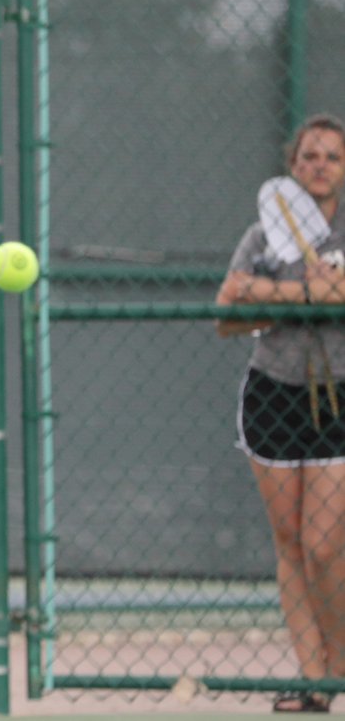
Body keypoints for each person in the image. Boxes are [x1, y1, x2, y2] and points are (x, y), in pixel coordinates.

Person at [216, 113, 345, 713]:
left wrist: (266, 292)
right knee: (290, 540)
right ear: (293, 167)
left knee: (324, 545)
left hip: (336, 398)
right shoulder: (263, 233)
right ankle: (313, 678)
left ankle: (339, 666)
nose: (319, 165)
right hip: (271, 391)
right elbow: (226, 313)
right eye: (308, 157)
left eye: (331, 157)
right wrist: (305, 293)